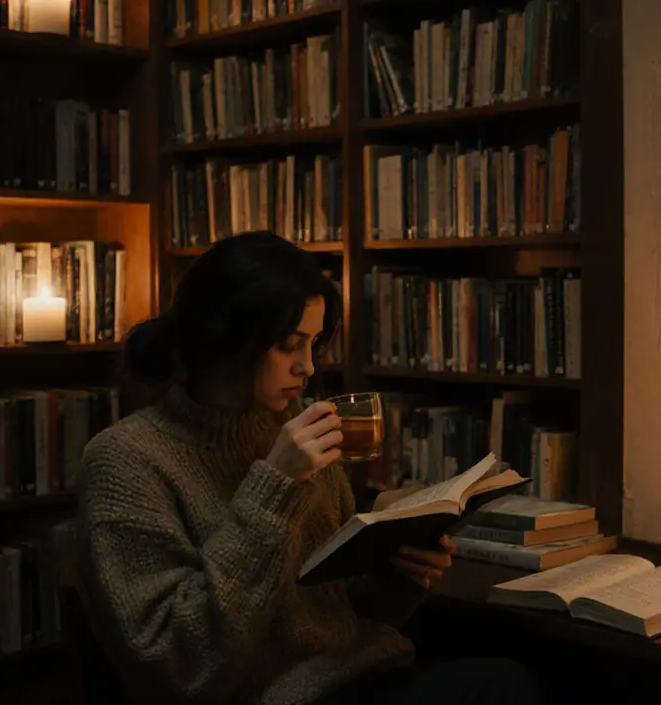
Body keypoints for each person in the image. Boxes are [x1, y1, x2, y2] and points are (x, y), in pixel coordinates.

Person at [74, 231, 542, 705]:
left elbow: (336, 609)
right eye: (288, 345)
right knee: (504, 685)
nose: (309, 367)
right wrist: (273, 488)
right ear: (225, 339)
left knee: (538, 673)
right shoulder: (126, 460)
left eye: (314, 343)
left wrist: (397, 572)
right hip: (277, 697)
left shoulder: (290, 427)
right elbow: (179, 665)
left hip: (359, 672)